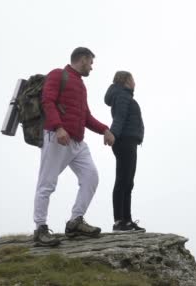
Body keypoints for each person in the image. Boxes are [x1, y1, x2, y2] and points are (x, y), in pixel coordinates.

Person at [32, 47, 115, 247]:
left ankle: (75, 222)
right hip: (56, 137)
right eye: (91, 62)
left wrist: (104, 129)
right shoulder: (57, 75)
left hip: (77, 142)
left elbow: (85, 117)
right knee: (47, 183)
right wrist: (58, 127)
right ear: (83, 59)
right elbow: (48, 102)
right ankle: (40, 228)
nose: (92, 67)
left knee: (91, 177)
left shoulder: (81, 85)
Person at [104, 71, 146, 232]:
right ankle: (119, 221)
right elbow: (119, 117)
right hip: (124, 141)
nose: (135, 82)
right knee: (123, 181)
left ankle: (126, 220)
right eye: (133, 79)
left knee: (128, 182)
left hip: (128, 141)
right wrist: (113, 134)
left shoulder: (124, 95)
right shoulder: (122, 95)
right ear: (127, 80)